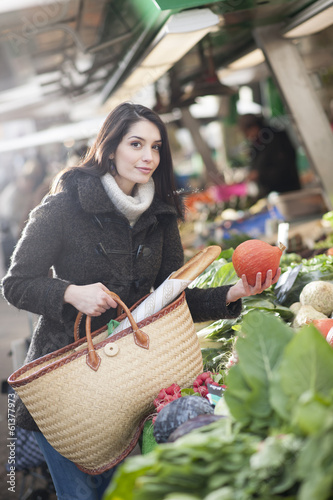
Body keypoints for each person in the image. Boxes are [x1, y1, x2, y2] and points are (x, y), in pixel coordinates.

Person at [2, 102, 280, 500]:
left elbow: (170, 302)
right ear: (110, 146)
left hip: (132, 383)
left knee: (128, 492)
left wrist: (234, 293)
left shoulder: (163, 215)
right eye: (136, 144)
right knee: (79, 496)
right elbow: (15, 284)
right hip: (69, 380)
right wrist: (69, 292)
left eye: (156, 147)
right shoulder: (63, 207)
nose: (148, 157)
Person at [239, 114, 301, 198]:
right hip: (270, 194)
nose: (248, 137)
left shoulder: (276, 138)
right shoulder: (257, 144)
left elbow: (284, 165)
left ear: (254, 127)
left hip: (288, 191)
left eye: (247, 133)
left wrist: (260, 174)